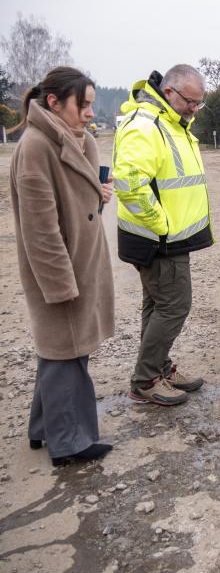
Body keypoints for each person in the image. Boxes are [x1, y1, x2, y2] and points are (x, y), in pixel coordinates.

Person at [9, 67, 115, 466]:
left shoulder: (77, 140)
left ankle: (42, 428)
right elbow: (39, 230)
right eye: (82, 104)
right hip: (62, 272)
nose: (89, 112)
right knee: (66, 355)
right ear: (53, 102)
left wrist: (98, 194)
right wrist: (59, 286)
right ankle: (69, 442)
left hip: (82, 264)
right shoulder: (36, 146)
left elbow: (79, 204)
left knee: (62, 352)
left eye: (91, 104)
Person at [113, 65, 213, 406]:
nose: (194, 109)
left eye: (199, 103)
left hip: (165, 238)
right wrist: (162, 226)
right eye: (190, 101)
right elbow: (129, 184)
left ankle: (159, 368)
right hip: (160, 240)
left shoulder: (168, 122)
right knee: (174, 305)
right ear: (169, 92)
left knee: (157, 306)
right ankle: (145, 380)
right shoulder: (147, 125)